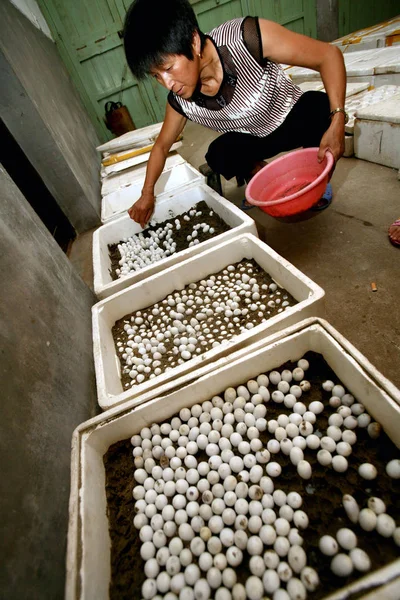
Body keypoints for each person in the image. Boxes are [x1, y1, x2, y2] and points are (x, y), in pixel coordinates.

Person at [123, 0, 346, 227]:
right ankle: (260, 174)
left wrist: (337, 120)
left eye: (168, 68)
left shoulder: (246, 38)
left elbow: (328, 55)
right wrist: (147, 193)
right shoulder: (180, 101)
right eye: (156, 76)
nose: (167, 83)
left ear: (193, 41)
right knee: (219, 154)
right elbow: (161, 146)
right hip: (253, 139)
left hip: (290, 118)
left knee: (320, 106)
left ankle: (317, 175)